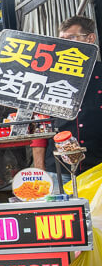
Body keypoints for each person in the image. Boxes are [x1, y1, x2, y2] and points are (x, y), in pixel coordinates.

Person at [32, 16, 100, 174]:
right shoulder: (49, 78)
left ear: (90, 38)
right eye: (62, 39)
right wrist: (39, 171)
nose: (65, 43)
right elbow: (39, 129)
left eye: (72, 37)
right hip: (58, 170)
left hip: (98, 170)